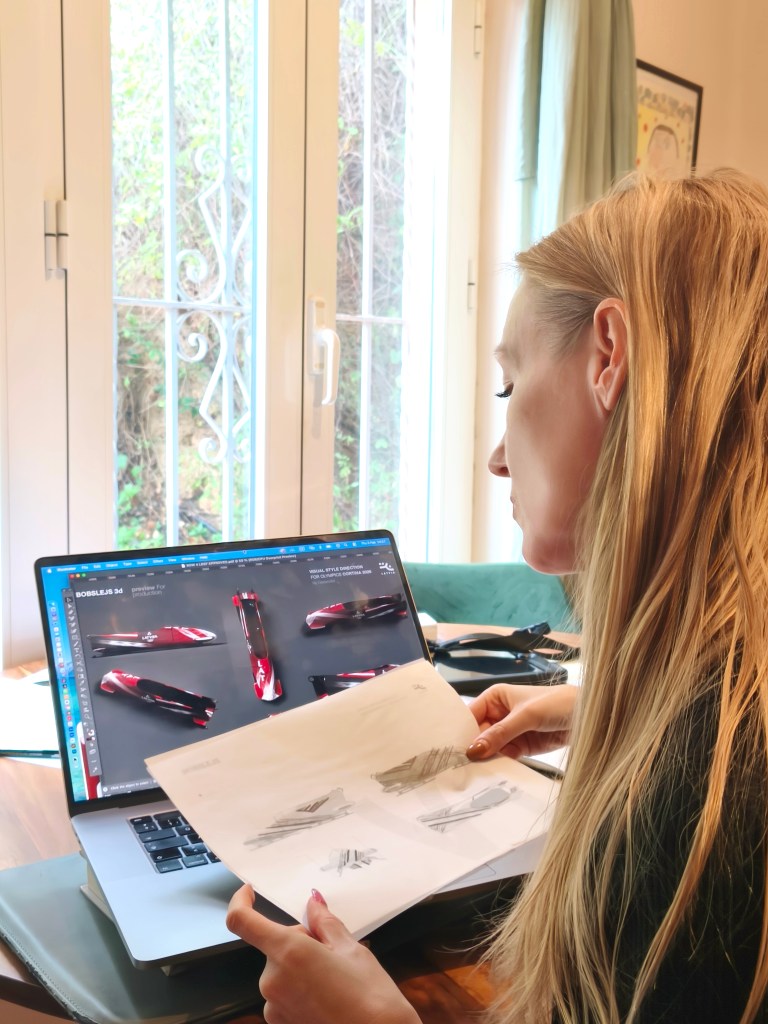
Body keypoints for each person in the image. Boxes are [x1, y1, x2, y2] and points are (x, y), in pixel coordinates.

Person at [226, 169, 768, 1023]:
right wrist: (606, 706)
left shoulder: (706, 794)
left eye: (510, 386)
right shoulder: (724, 703)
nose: (496, 458)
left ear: (610, 357)